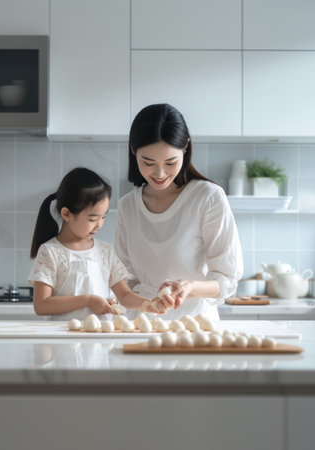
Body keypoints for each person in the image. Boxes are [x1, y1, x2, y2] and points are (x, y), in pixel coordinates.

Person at [115, 104, 243, 321]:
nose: (160, 173)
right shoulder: (127, 206)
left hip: (195, 324)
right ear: (133, 151)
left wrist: (190, 287)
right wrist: (147, 302)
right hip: (142, 323)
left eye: (170, 162)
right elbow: (125, 280)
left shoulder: (208, 197)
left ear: (186, 148)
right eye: (148, 163)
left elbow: (227, 279)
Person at [28, 167, 165, 321]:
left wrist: (149, 303)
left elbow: (125, 296)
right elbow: (41, 305)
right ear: (66, 214)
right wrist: (88, 300)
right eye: (93, 219)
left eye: (103, 217)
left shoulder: (105, 251)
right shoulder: (50, 252)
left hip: (100, 340)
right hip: (63, 340)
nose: (99, 224)